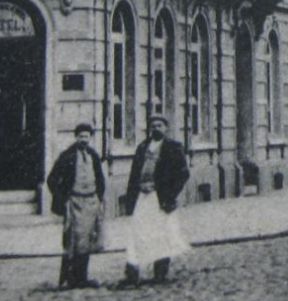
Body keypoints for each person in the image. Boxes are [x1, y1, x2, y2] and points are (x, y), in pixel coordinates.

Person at [118, 114, 190, 288]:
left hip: (160, 198)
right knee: (136, 233)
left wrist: (171, 195)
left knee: (161, 234)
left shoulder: (173, 147)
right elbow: (134, 174)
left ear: (166, 128)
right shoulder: (142, 147)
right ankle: (132, 273)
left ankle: (160, 272)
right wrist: (130, 199)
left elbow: (183, 174)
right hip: (142, 196)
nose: (156, 129)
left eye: (159, 125)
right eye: (153, 126)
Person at [47, 121, 107, 289]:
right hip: (74, 203)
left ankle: (82, 277)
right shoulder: (67, 156)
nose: (84, 140)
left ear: (91, 138)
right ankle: (67, 279)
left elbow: (100, 179)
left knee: (87, 241)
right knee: (72, 241)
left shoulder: (94, 156)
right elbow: (52, 179)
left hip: (91, 202)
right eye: (81, 136)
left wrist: (99, 197)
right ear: (76, 137)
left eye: (87, 137)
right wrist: (62, 198)